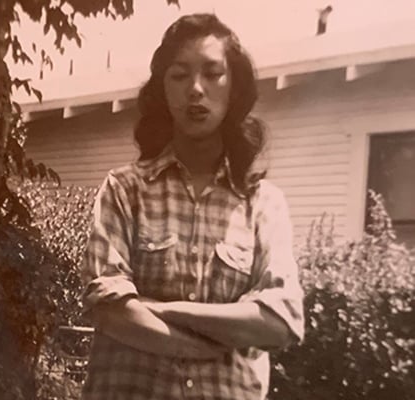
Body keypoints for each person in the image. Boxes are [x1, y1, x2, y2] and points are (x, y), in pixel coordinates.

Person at [80, 13, 304, 400]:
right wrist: (207, 343)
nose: (196, 90)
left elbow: (278, 320)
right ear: (162, 92)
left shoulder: (263, 204)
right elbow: (110, 310)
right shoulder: (124, 190)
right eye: (179, 75)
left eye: (213, 73)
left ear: (234, 90)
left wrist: (163, 310)